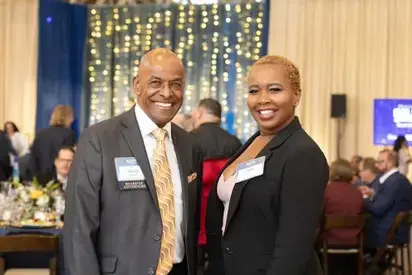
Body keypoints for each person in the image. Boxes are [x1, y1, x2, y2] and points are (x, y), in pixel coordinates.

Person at [64, 48, 203, 275]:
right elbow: (79, 228)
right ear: (137, 85)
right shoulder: (100, 139)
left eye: (176, 84)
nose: (167, 93)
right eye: (156, 83)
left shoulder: (191, 145)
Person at [205, 55, 329, 275]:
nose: (262, 99)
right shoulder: (253, 143)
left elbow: (293, 250)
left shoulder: (303, 154)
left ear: (296, 96)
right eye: (254, 91)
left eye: (274, 89)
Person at [191, 98, 241, 271]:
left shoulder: (188, 141)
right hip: (223, 216)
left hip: (194, 216)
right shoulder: (235, 142)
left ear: (199, 113)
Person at [359, 149, 412, 248]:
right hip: (397, 229)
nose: (376, 165)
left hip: (388, 232)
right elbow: (390, 201)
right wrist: (372, 194)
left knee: (355, 234)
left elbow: (378, 209)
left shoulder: (394, 182)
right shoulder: (397, 179)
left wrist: (364, 197)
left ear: (390, 163)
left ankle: (366, 261)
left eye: (380, 161)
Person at [31, 105, 76, 180]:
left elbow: (33, 157)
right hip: (58, 178)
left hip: (40, 177)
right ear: (68, 118)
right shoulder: (69, 134)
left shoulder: (41, 133)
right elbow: (69, 157)